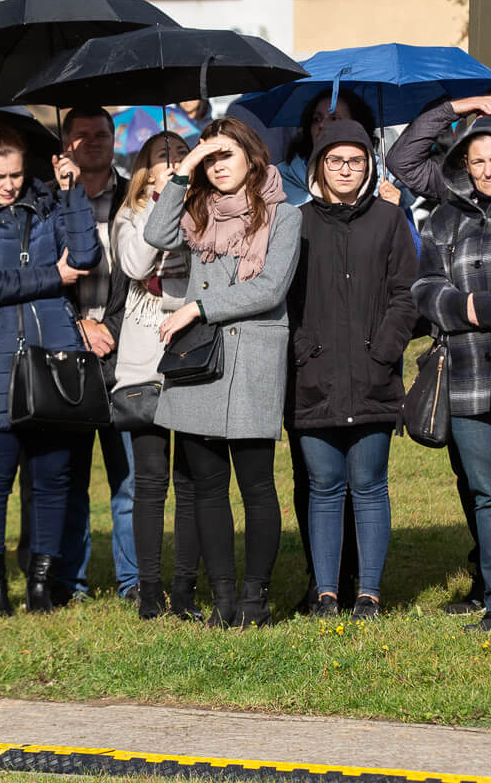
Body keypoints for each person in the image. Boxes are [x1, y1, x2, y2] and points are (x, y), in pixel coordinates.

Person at [144, 117, 302, 628]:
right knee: (208, 488)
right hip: (201, 364)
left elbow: (271, 288)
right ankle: (224, 599)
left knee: (256, 485)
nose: (217, 167)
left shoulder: (284, 215)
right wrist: (183, 169)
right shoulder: (197, 209)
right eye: (209, 159)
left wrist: (198, 307)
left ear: (252, 156)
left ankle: (255, 600)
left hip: (252, 359)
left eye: (225, 155)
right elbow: (154, 233)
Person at [387, 88, 491, 613]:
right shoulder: (444, 218)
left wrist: (485, 308)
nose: (488, 170)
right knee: (482, 493)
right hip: (466, 373)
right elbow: (425, 286)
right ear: (464, 165)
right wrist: (460, 308)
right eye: (478, 161)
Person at [0, 126, 100, 616]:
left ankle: (41, 585)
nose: (9, 185)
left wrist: (72, 191)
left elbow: (85, 257)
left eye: (15, 174)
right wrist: (52, 276)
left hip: (53, 358)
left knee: (52, 480)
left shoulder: (50, 206)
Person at [288, 119, 418, 619]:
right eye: (336, 160)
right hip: (314, 376)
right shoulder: (296, 223)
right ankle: (326, 592)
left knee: (368, 484)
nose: (346, 169)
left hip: (372, 374)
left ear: (369, 166)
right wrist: (304, 349)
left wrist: (383, 349)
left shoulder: (389, 220)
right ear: (319, 165)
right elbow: (285, 298)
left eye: (356, 161)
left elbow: (406, 292)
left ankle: (370, 593)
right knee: (323, 486)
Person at [111, 132, 205, 619]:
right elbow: (135, 263)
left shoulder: (204, 208)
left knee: (190, 478)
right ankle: (148, 591)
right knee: (150, 479)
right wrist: (161, 203)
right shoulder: (130, 215)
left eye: (180, 154)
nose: (172, 162)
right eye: (162, 157)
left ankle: (185, 589)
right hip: (145, 360)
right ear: (145, 170)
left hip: (190, 353)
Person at [60, 106, 131, 602]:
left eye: (101, 133)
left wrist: (110, 327)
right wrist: (79, 325)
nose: (93, 141)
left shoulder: (134, 196)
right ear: (66, 145)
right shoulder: (50, 204)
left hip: (126, 353)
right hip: (66, 356)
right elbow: (39, 280)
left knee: (131, 479)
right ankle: (72, 581)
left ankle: (133, 580)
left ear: (114, 138)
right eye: (81, 135)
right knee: (70, 480)